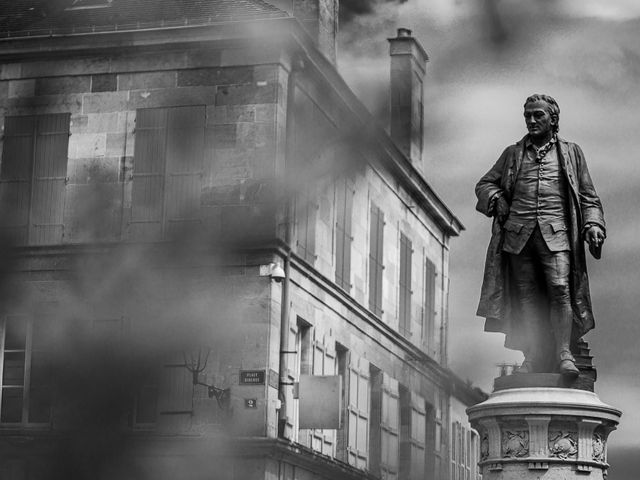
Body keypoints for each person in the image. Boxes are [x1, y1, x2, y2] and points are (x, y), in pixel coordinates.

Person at [475, 94, 605, 377]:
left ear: (553, 119)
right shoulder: (512, 153)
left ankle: (563, 353)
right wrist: (497, 197)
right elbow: (484, 184)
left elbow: (588, 196)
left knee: (560, 289)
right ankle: (531, 355)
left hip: (556, 233)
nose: (531, 121)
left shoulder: (571, 153)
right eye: (528, 116)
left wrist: (593, 224)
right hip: (518, 236)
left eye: (538, 115)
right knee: (527, 298)